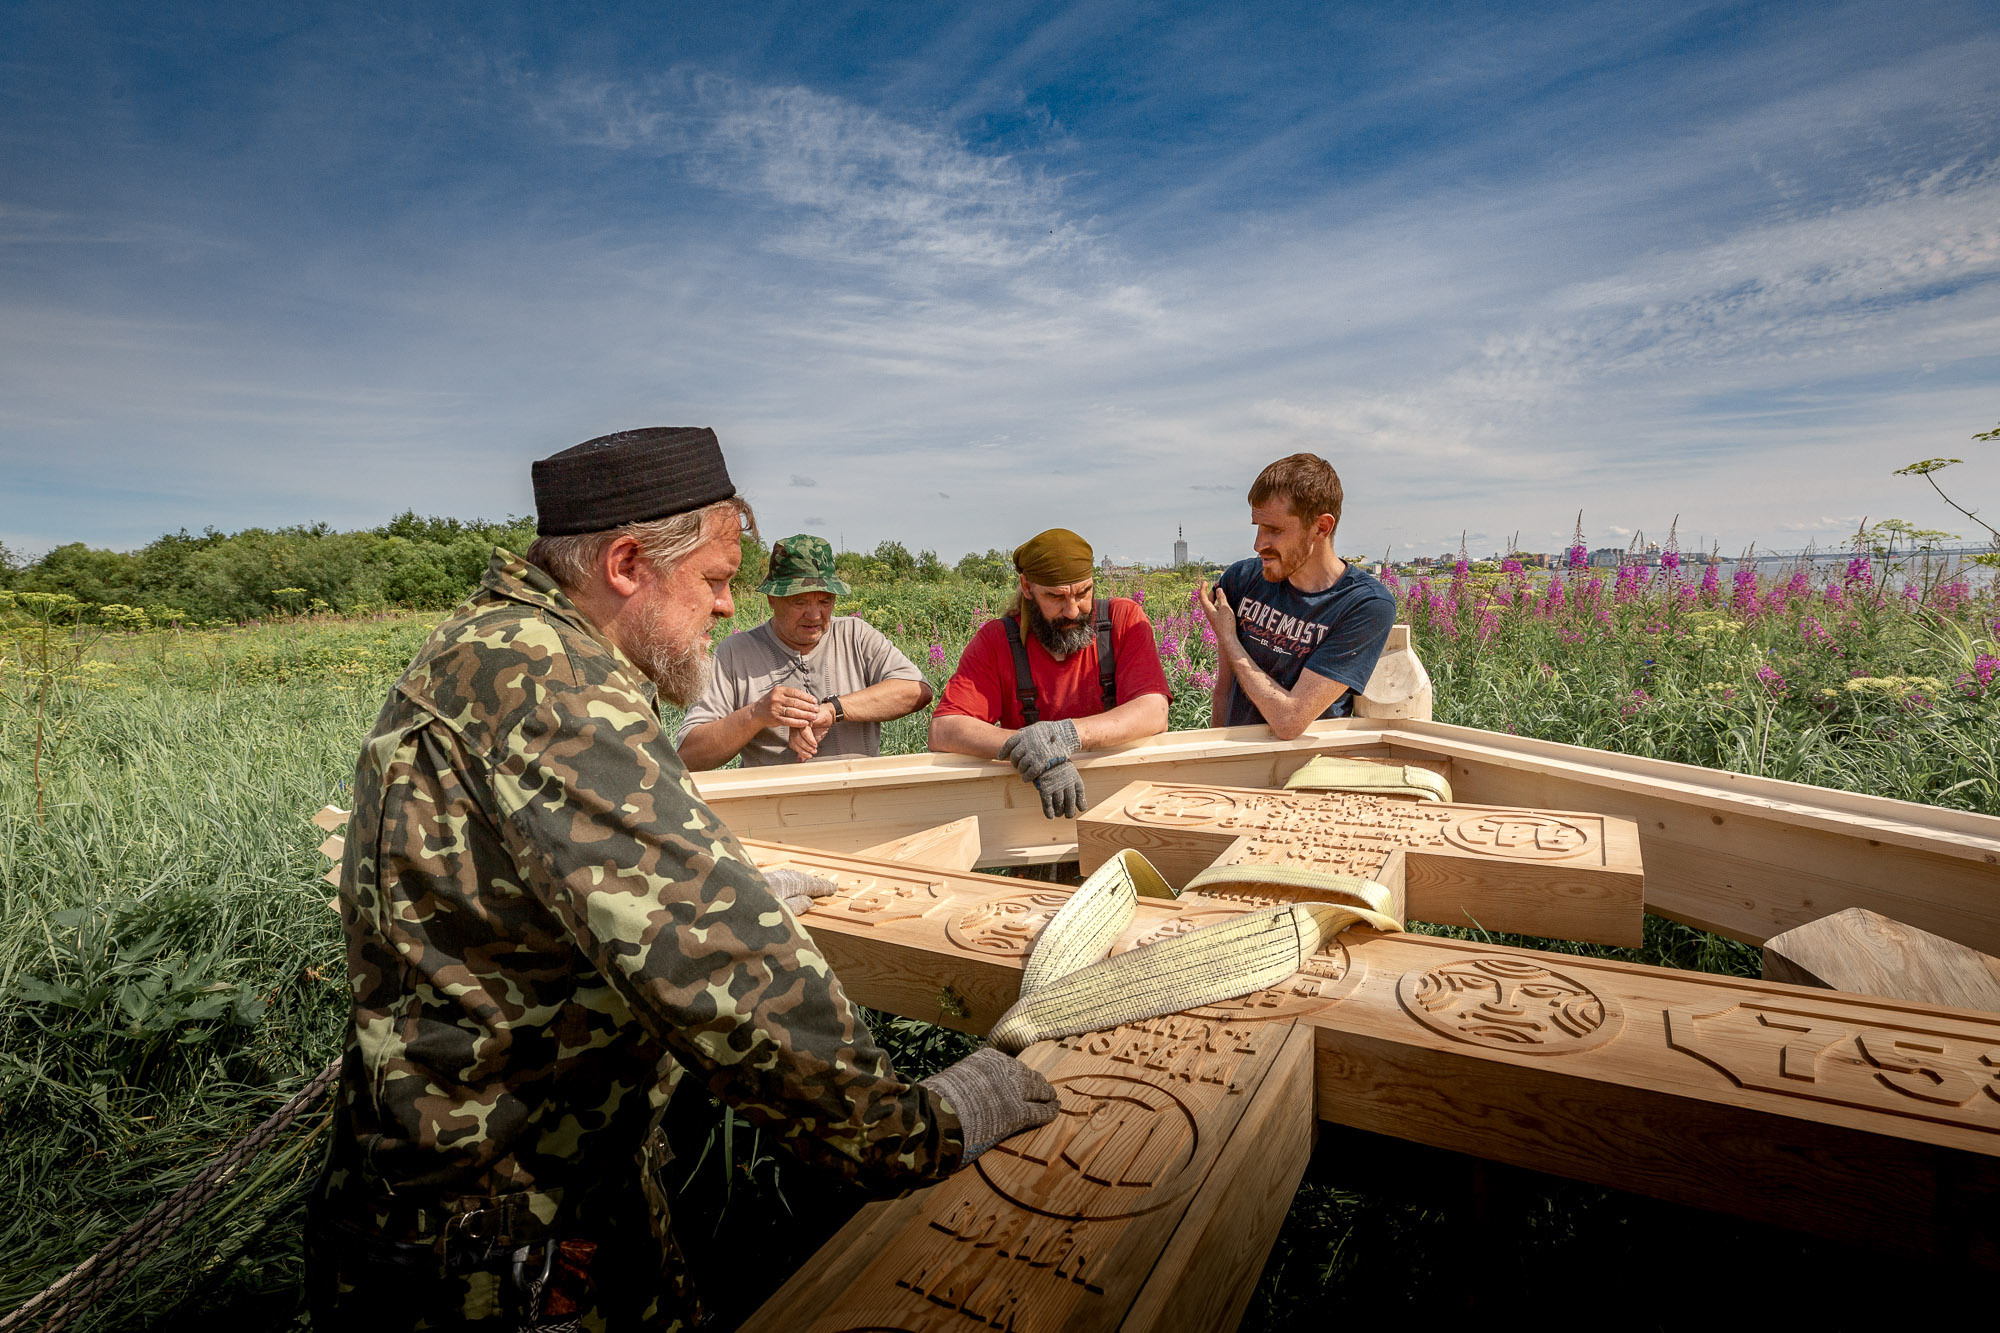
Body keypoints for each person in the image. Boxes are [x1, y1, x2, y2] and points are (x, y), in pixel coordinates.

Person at [306, 427, 1056, 1332]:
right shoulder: (553, 687)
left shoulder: (494, 644)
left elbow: (556, 881)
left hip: (511, 1182)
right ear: (628, 563)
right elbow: (729, 978)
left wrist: (724, 881)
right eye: (713, 579)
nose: (725, 605)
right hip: (501, 1232)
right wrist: (920, 1125)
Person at [929, 528, 1170, 819]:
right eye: (1055, 597)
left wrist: (1063, 736)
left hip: (1124, 809)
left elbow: (1153, 711)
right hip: (1033, 818)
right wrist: (1030, 749)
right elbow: (945, 729)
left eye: (1083, 593)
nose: (1072, 610)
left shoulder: (1122, 620)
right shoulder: (997, 641)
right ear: (1027, 587)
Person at [676, 533, 932, 769]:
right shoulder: (735, 652)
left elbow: (916, 691)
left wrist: (832, 711)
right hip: (771, 807)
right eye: (799, 601)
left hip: (859, 801)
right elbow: (689, 755)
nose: (815, 615)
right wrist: (758, 714)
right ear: (772, 600)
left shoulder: (856, 635)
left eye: (825, 601)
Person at [1198, 453, 1395, 740]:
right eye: (1258, 527)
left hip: (1308, 770)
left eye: (1274, 530)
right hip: (1235, 762)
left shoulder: (1364, 605)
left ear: (1321, 527)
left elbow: (1289, 720)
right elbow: (1225, 689)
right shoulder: (1240, 579)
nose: (1258, 544)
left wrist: (1229, 638)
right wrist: (1214, 755)